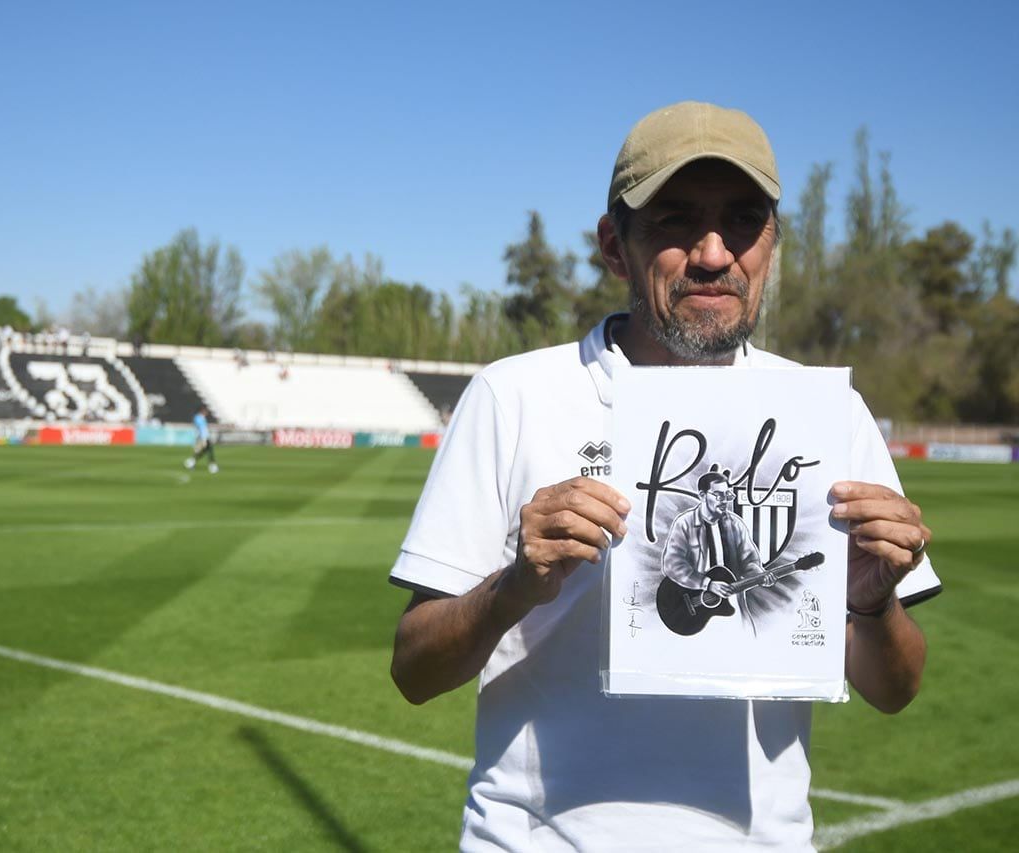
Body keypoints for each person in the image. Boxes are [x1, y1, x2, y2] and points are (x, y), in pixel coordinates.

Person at [389, 102, 940, 851]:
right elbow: (415, 670)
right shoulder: (513, 395)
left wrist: (874, 607)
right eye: (676, 221)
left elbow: (895, 688)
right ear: (616, 246)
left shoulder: (827, 413)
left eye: (744, 222)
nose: (714, 254)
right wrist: (513, 584)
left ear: (771, 248)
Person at [660, 470, 766, 630]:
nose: (724, 501)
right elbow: (672, 564)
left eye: (727, 495)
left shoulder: (736, 525)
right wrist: (707, 584)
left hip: (733, 609)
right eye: (718, 495)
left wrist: (760, 575)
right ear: (702, 495)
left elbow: (750, 561)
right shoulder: (684, 524)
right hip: (696, 612)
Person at [183, 405, 218, 473]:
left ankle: (191, 462)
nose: (207, 412)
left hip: (204, 437)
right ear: (202, 411)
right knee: (205, 451)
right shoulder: (198, 418)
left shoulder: (201, 418)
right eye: (205, 411)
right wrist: (204, 439)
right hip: (202, 438)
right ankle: (212, 466)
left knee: (205, 451)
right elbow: (201, 429)